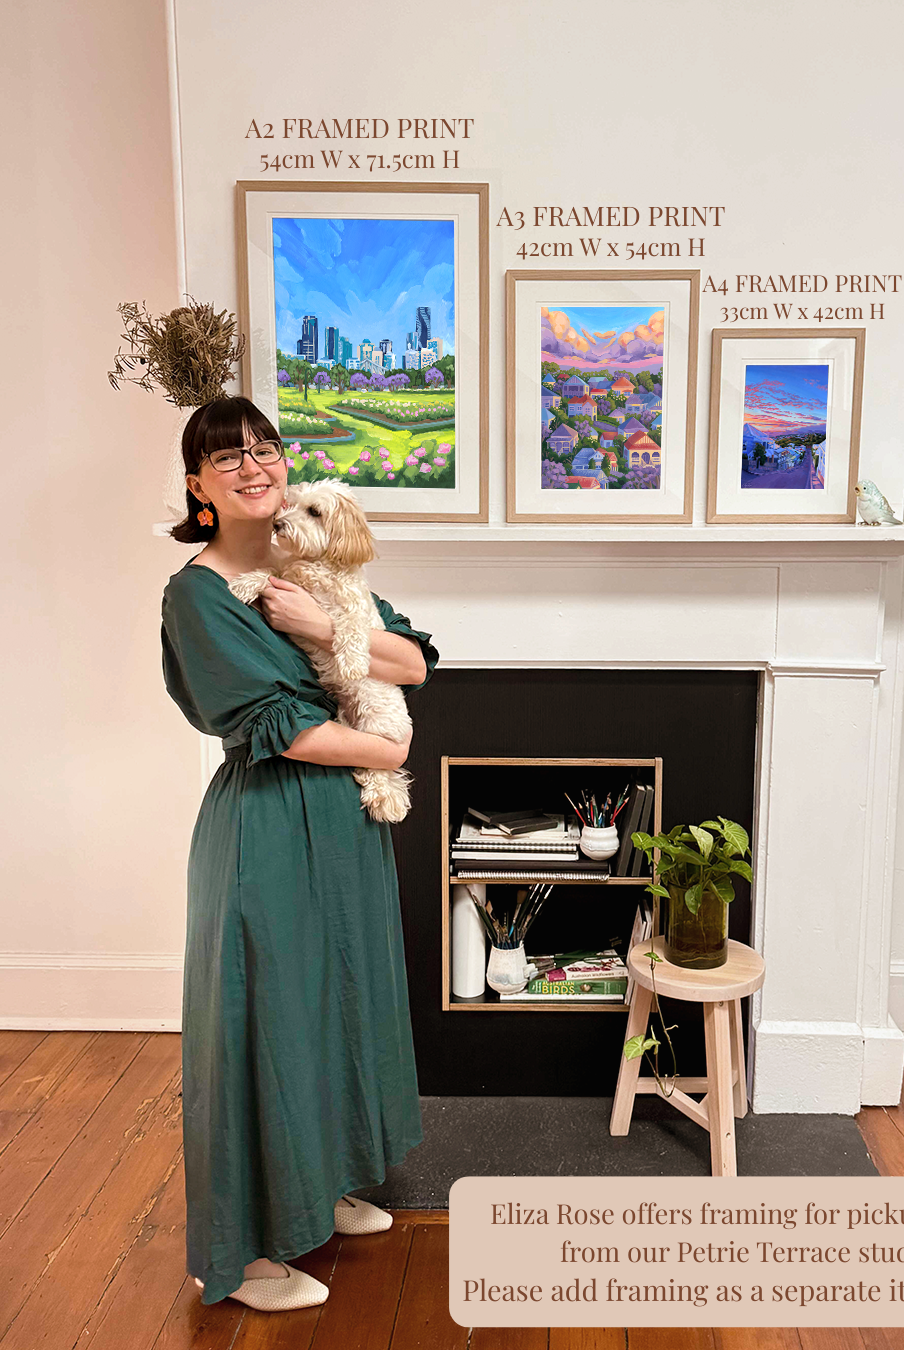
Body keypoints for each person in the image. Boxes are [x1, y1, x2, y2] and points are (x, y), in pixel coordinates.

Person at [160, 396, 438, 1310]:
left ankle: (321, 1188)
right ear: (197, 486)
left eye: (264, 448)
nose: (252, 466)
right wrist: (388, 751)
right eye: (224, 456)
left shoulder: (311, 564)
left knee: (332, 1009)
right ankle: (240, 1257)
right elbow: (274, 728)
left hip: (344, 832)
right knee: (262, 1027)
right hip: (270, 827)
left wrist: (323, 630)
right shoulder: (196, 595)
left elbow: (412, 662)